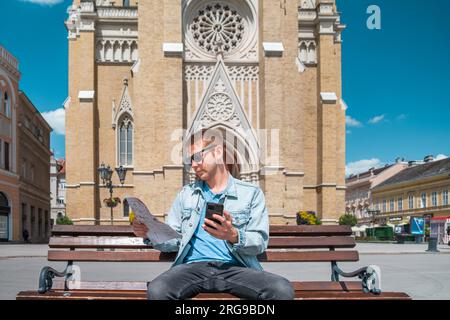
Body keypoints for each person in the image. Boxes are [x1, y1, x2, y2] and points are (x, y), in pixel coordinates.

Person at [133, 128, 295, 300]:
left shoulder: (251, 193)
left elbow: (260, 242)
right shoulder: (186, 194)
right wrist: (150, 233)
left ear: (218, 152)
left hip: (237, 268)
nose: (193, 165)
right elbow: (174, 241)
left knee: (281, 289)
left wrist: (233, 235)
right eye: (189, 160)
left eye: (197, 157)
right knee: (158, 290)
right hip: (191, 268)